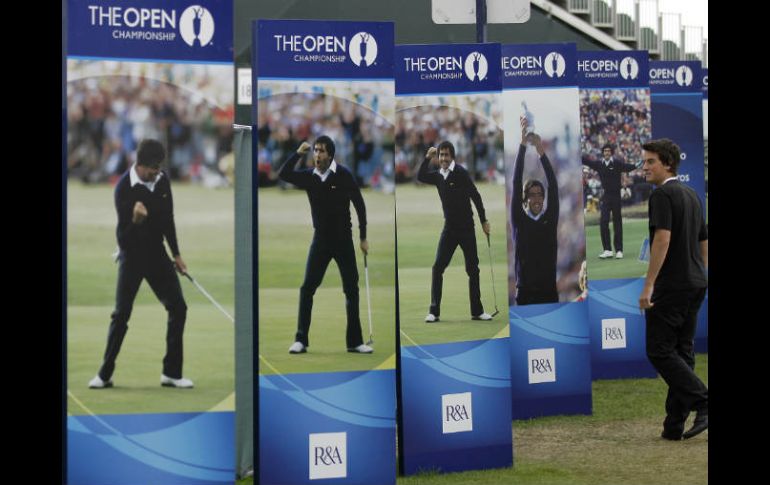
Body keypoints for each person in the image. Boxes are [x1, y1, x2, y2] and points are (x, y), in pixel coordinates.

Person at [89, 139, 193, 389]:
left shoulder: (162, 181)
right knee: (121, 314)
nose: (157, 172)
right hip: (132, 256)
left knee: (178, 308)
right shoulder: (123, 188)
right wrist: (136, 221)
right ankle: (104, 375)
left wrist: (176, 254)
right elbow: (124, 240)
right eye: (153, 168)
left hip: (157, 254)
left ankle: (171, 373)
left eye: (159, 167)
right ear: (141, 164)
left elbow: (168, 219)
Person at [638, 138, 708, 441]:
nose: (644, 167)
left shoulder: (662, 195)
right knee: (682, 351)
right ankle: (674, 426)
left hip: (673, 286)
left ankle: (703, 401)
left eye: (650, 161)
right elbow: (704, 240)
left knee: (659, 350)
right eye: (644, 162)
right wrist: (700, 272)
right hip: (695, 283)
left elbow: (662, 239)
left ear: (667, 163)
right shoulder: (692, 194)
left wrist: (649, 285)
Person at [278, 136, 373, 354]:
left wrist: (363, 237)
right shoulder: (310, 176)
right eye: (315, 151)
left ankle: (355, 342)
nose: (317, 155)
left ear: (330, 155)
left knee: (351, 289)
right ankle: (301, 340)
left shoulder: (343, 175)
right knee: (307, 288)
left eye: (321, 151)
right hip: (320, 240)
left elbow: (359, 205)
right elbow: (284, 174)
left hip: (343, 240)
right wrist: (298, 154)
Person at [418, 140, 492, 322]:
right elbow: (420, 176)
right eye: (441, 155)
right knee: (437, 268)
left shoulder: (461, 173)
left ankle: (477, 311)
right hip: (449, 229)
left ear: (452, 156)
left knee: (472, 269)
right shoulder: (438, 176)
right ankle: (434, 312)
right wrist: (427, 158)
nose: (443, 158)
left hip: (467, 228)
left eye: (446, 155)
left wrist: (483, 220)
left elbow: (475, 196)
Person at [511, 117, 559, 305]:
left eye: (540, 194)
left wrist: (540, 150)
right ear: (525, 199)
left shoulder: (550, 219)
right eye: (532, 195)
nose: (537, 199)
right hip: (525, 295)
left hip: (549, 293)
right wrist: (522, 144)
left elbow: (553, 185)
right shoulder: (518, 220)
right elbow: (516, 182)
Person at [582, 144, 639, 259]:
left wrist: (637, 164)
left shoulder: (616, 163)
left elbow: (627, 167)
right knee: (603, 222)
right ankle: (607, 250)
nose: (607, 153)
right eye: (605, 151)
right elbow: (587, 162)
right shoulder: (599, 164)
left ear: (611, 152)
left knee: (617, 222)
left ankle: (619, 250)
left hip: (616, 196)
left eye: (608, 151)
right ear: (603, 153)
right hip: (606, 196)